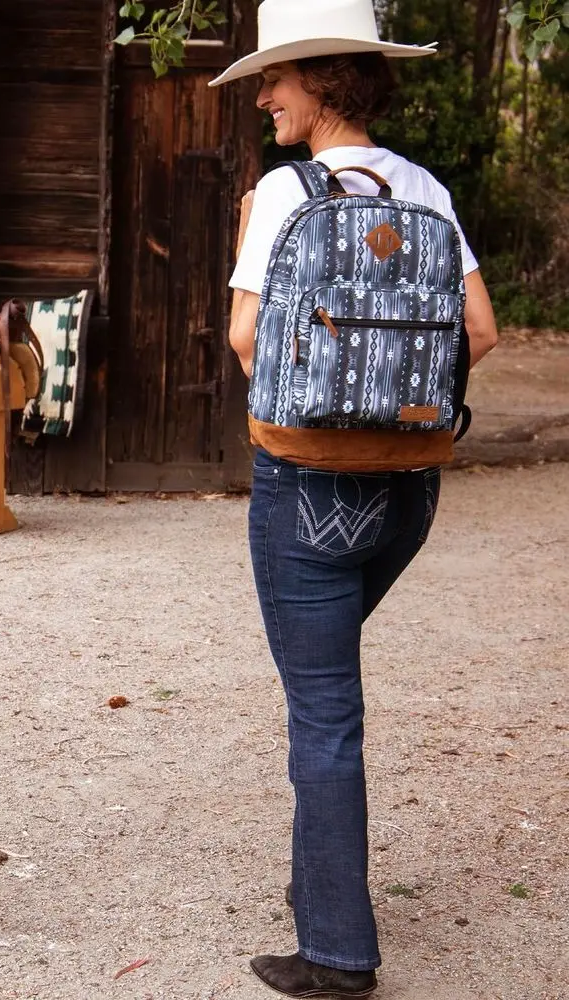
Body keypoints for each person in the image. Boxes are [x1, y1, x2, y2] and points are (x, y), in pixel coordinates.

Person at [211, 0, 498, 995]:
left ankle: (335, 950)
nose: (263, 95)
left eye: (276, 78)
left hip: (305, 480)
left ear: (323, 78)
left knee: (323, 714)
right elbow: (483, 331)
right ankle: (318, 883)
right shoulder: (422, 188)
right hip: (408, 483)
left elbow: (247, 342)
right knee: (322, 694)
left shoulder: (283, 193)